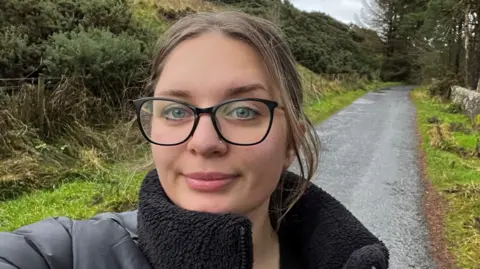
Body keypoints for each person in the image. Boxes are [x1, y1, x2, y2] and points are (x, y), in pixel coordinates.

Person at [0, 11, 389, 269]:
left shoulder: (349, 260)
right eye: (175, 110)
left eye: (242, 111)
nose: (204, 143)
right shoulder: (70, 253)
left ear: (292, 143)